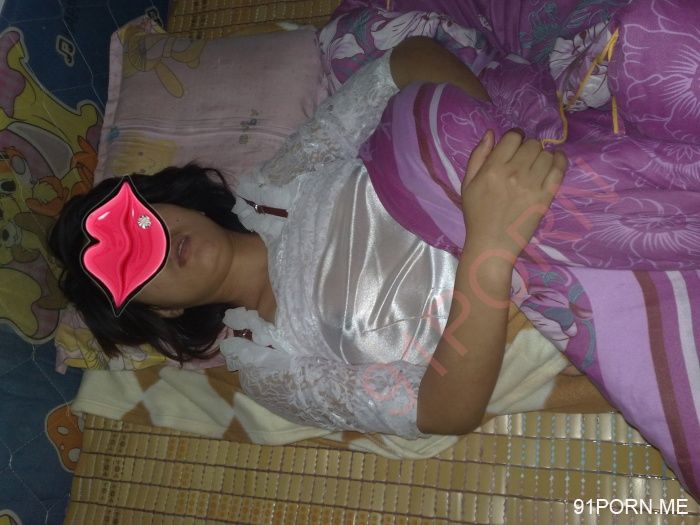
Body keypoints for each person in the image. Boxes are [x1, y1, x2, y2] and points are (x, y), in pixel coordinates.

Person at [49, 37, 567, 438]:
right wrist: (491, 250)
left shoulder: (283, 179)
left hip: (547, 177)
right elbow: (441, 411)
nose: (153, 246)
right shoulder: (269, 367)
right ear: (161, 310)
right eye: (128, 266)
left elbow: (405, 62)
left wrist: (488, 142)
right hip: (549, 290)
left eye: (134, 223)